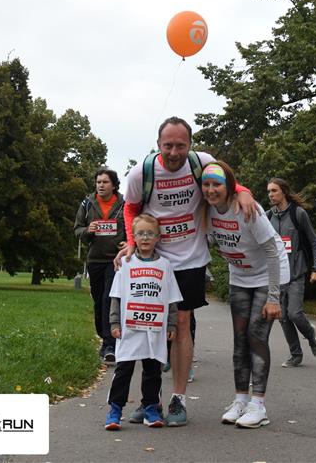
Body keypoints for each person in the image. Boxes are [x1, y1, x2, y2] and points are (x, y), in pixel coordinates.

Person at [116, 116, 258, 427]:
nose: (174, 152)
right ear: (158, 144)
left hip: (190, 260)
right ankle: (151, 400)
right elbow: (130, 207)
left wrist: (244, 191)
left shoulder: (201, 163)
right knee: (150, 326)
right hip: (155, 260)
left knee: (181, 324)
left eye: (181, 146)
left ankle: (178, 399)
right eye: (168, 145)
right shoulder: (142, 172)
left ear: (190, 145)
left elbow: (226, 183)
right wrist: (131, 242)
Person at [202, 161, 289, 428]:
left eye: (217, 184)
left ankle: (258, 405)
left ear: (229, 186)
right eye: (206, 184)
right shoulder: (206, 210)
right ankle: (240, 400)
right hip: (240, 276)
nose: (211, 190)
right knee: (239, 339)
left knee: (255, 336)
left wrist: (273, 297)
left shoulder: (248, 209)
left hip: (269, 274)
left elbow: (272, 252)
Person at [104, 214, 183, 430]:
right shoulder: (126, 264)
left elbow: (172, 299)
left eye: (150, 233)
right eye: (140, 233)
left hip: (155, 330)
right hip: (129, 329)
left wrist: (172, 325)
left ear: (158, 237)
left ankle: (150, 408)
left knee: (153, 371)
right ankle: (115, 410)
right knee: (123, 370)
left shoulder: (165, 265)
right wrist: (114, 323)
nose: (145, 238)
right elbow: (116, 296)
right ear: (134, 237)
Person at [266, 177, 316, 368]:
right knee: (282, 317)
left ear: (284, 191)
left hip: (296, 273)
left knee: (295, 313)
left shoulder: (298, 214)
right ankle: (296, 355)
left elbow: (314, 241)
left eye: (274, 190)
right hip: (277, 276)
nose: (270, 195)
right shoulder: (268, 217)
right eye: (269, 191)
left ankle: (311, 335)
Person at [74, 167, 126, 364]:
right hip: (95, 260)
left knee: (108, 299)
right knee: (98, 301)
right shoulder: (87, 204)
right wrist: (88, 229)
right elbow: (77, 230)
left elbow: (132, 227)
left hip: (115, 260)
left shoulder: (124, 204)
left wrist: (128, 243)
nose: (101, 185)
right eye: (98, 182)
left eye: (105, 182)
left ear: (114, 185)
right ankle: (104, 336)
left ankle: (109, 345)